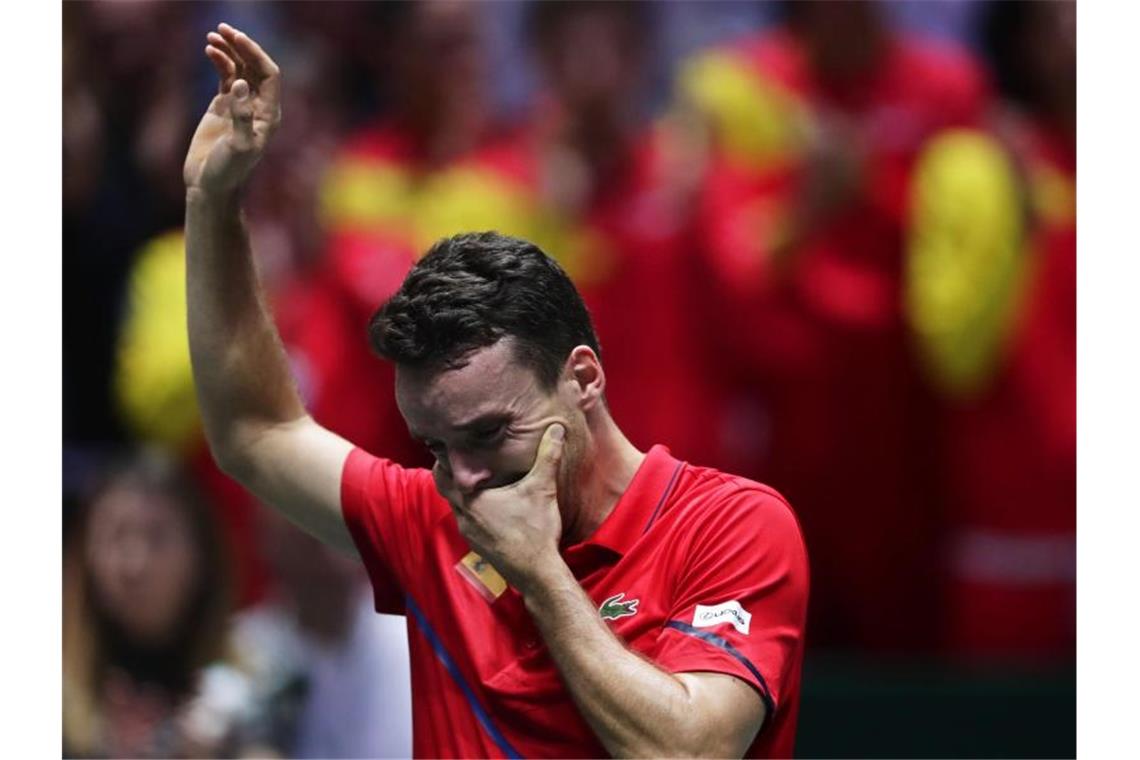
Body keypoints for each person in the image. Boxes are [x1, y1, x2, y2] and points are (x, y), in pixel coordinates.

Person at [184, 23, 808, 758]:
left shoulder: (731, 528)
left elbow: (690, 751)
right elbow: (256, 431)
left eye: (487, 435)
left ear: (582, 378)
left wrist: (539, 573)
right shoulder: (436, 520)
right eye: (436, 448)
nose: (465, 480)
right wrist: (214, 201)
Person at [62, 450, 240, 757]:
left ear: (201, 556)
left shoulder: (255, 687)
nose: (135, 564)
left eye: (157, 537)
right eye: (116, 536)